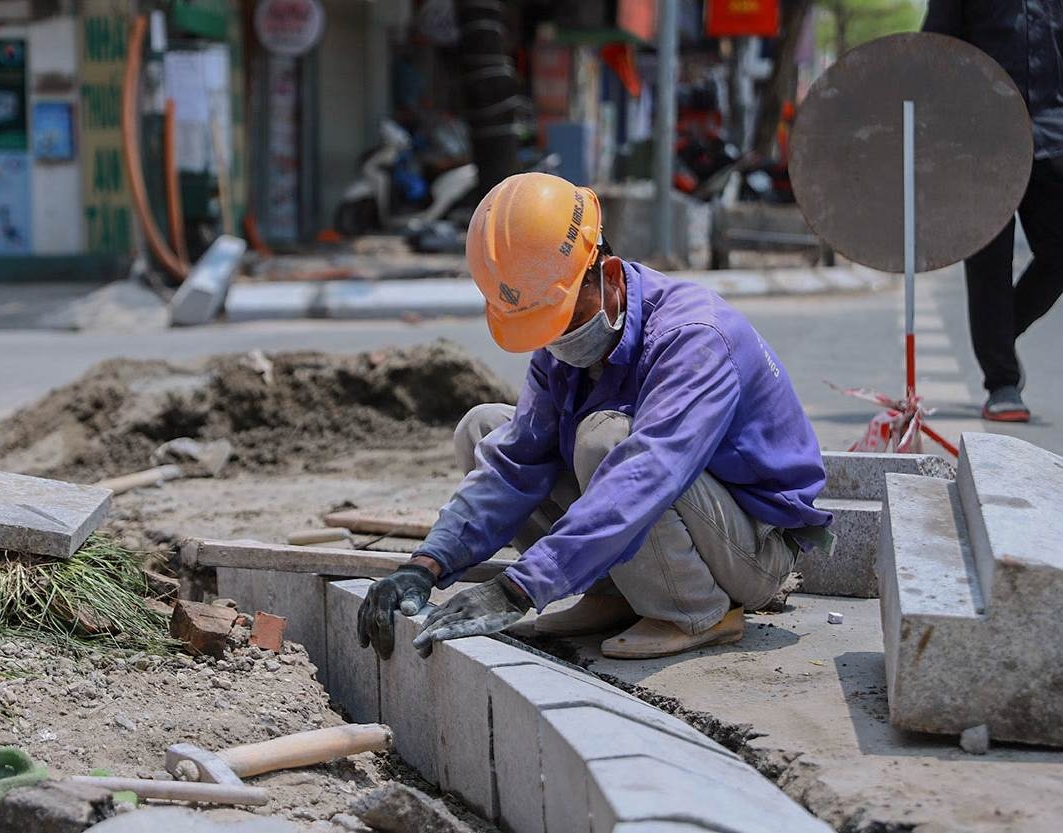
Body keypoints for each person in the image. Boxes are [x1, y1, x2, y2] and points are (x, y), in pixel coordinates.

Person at [357, 173, 832, 662]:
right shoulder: (564, 348)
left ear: (607, 276)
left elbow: (646, 474)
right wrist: (425, 566)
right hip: (676, 513)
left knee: (603, 440)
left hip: (753, 547)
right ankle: (614, 593)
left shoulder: (695, 337)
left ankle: (695, 611)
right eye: (541, 328)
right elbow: (516, 463)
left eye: (560, 320)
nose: (555, 340)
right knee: (483, 428)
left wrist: (518, 589)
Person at [923, 0, 1063, 422]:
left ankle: (1002, 333)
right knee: (989, 263)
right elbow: (935, 53)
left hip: (1053, 135)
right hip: (981, 137)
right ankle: (1001, 381)